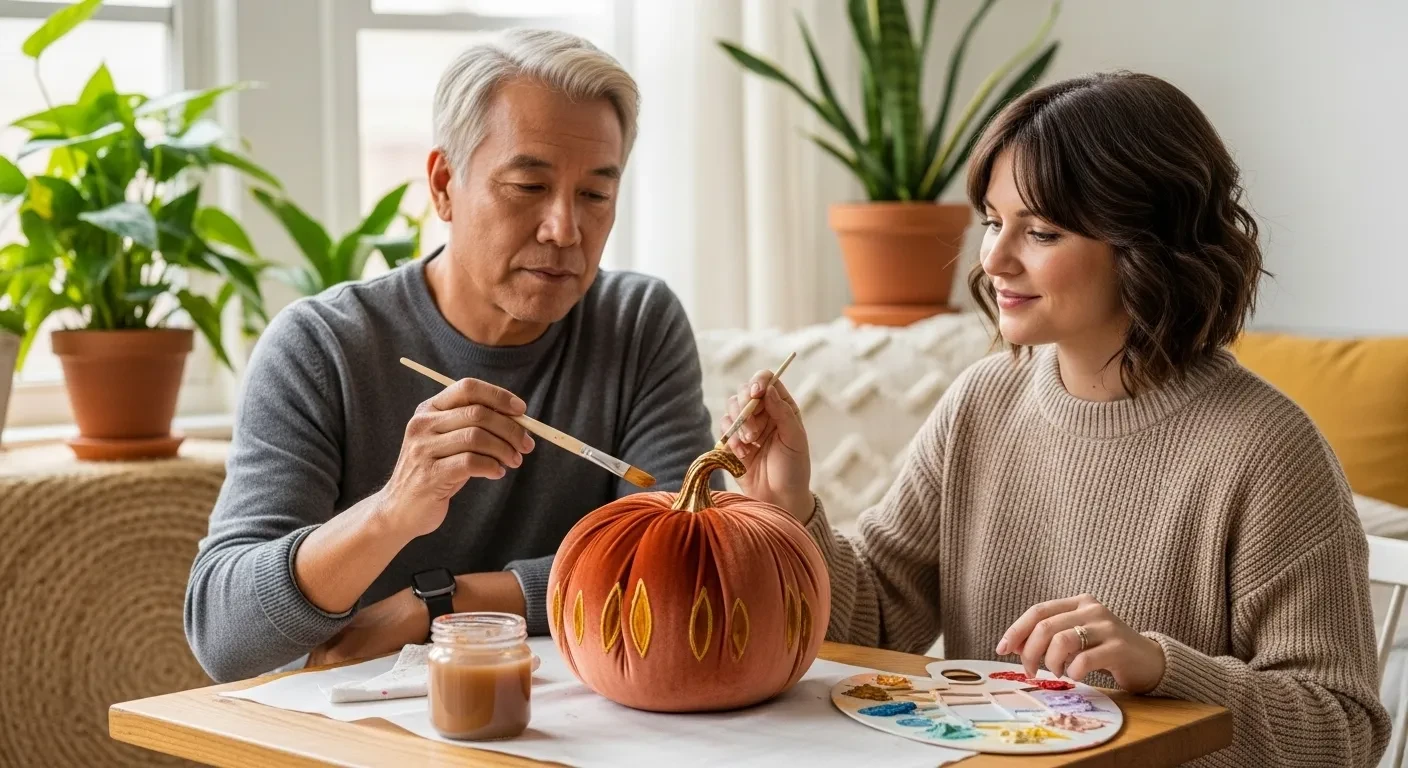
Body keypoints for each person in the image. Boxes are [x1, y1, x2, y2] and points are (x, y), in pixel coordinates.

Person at [723, 71, 1390, 766]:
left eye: (1040, 231)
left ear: (1148, 246)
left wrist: (1163, 669)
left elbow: (1343, 732)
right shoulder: (982, 403)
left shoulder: (1269, 451)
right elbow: (878, 622)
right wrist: (790, 512)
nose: (993, 259)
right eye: (991, 221)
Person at [185, 29, 717, 683]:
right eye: (528, 185)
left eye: (595, 196)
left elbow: (690, 569)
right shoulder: (321, 347)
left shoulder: (636, 324)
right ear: (443, 184)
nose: (564, 230)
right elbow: (224, 636)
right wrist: (394, 510)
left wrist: (436, 603)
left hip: (571, 725)